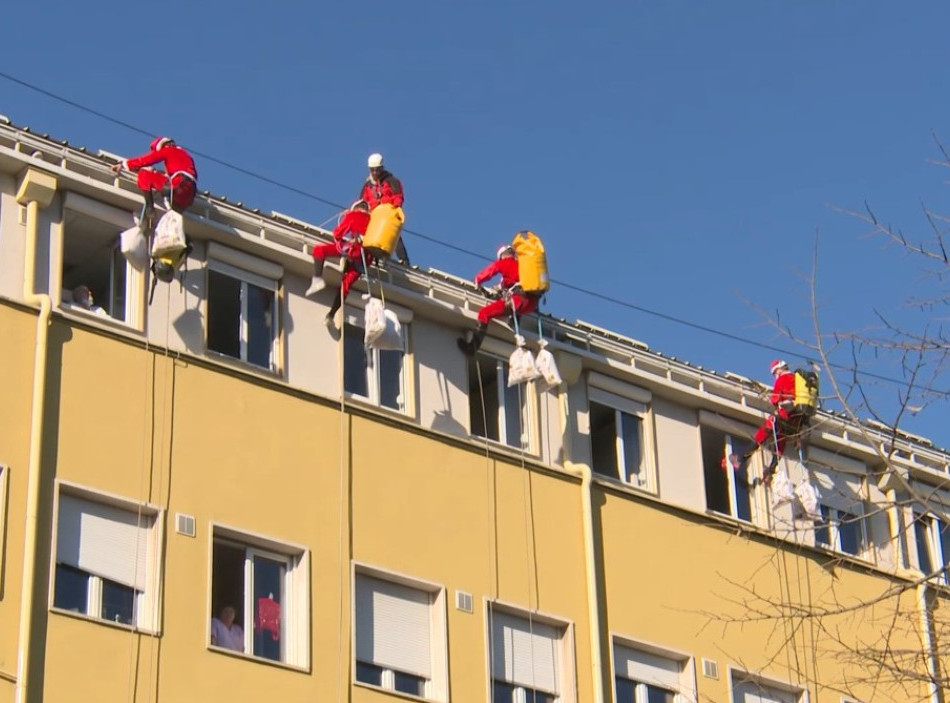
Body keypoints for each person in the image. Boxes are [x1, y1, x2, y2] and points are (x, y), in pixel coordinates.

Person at [457, 244, 539, 355]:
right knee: (510, 304)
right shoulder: (523, 267)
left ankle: (473, 347)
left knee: (484, 313)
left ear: (502, 256)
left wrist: (477, 280)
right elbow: (508, 283)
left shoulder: (505, 263)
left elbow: (489, 271)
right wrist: (499, 288)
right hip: (531, 303)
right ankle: (514, 321)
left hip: (517, 300)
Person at [306, 200, 373, 323]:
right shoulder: (374, 222)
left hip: (354, 249)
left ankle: (317, 279)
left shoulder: (354, 215)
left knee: (319, 250)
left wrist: (348, 216)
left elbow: (337, 234)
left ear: (356, 208)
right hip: (365, 259)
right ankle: (330, 315)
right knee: (345, 285)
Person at [111, 137, 198, 227]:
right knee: (174, 221)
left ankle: (150, 207)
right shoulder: (186, 155)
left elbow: (147, 160)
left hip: (177, 184)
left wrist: (125, 164)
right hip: (189, 194)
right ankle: (186, 239)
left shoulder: (168, 150)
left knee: (144, 173)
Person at [745, 359, 799, 483]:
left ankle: (744, 456)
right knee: (781, 440)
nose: (775, 376)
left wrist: (774, 399)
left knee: (766, 429)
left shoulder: (782, 379)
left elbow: (775, 399)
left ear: (779, 370)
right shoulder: (797, 379)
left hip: (784, 414)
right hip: (796, 421)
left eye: (775, 373)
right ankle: (771, 470)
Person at [359, 153, 409, 264]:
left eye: (377, 170)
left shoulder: (391, 181)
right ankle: (374, 260)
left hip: (387, 213)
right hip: (374, 214)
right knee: (372, 237)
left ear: (381, 168)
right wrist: (361, 210)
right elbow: (362, 202)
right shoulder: (367, 186)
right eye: (372, 170)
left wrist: (396, 208)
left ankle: (404, 260)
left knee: (393, 234)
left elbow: (398, 195)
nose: (375, 172)